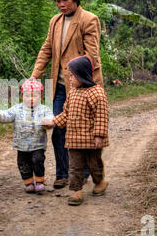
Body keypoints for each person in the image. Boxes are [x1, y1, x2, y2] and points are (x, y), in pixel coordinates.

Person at [30, 0, 104, 189]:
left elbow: (92, 56)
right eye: (57, 1)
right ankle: (63, 174)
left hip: (84, 87)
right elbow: (47, 49)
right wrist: (35, 75)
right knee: (59, 129)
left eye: (65, 0)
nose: (61, 5)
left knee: (84, 132)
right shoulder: (55, 21)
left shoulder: (89, 20)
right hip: (60, 87)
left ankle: (84, 172)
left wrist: (81, 80)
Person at [42, 56, 109, 206]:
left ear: (82, 74)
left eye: (72, 75)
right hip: (74, 139)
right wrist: (53, 122)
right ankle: (76, 190)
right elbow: (66, 114)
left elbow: (102, 116)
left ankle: (100, 182)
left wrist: (99, 135)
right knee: (75, 166)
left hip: (91, 140)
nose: (69, 78)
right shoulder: (72, 92)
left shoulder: (97, 93)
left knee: (94, 164)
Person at [0, 79, 54, 193]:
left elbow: (51, 118)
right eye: (27, 96)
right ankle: (28, 183)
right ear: (22, 96)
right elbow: (7, 115)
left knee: (38, 160)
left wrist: (48, 122)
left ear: (41, 96)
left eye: (35, 96)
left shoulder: (44, 109)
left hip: (38, 144)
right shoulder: (17, 109)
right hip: (21, 145)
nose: (31, 99)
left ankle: (39, 181)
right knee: (23, 163)